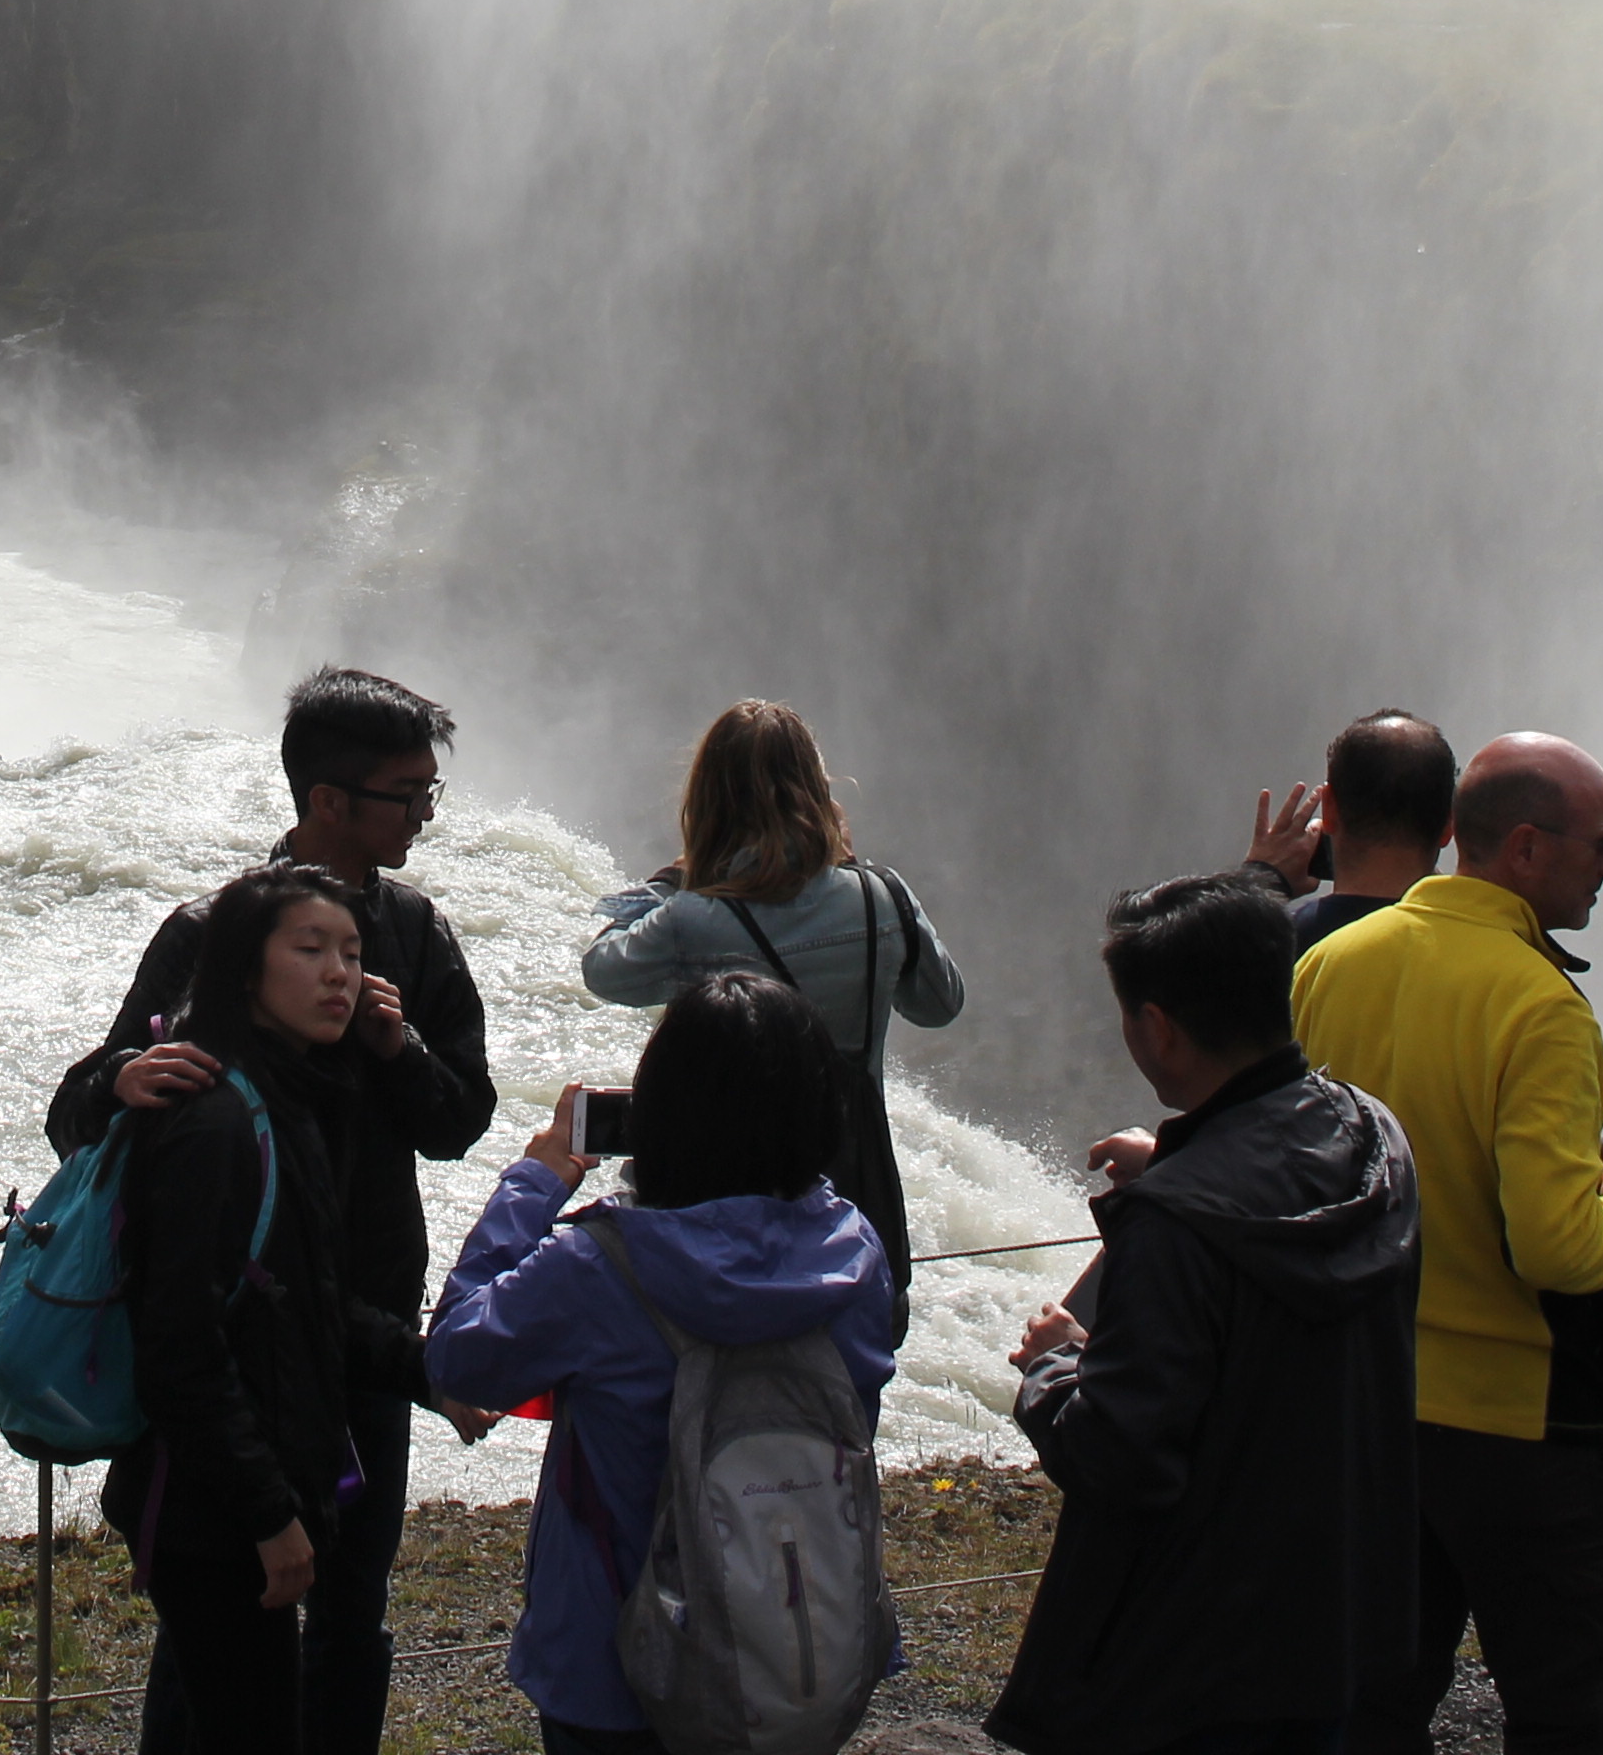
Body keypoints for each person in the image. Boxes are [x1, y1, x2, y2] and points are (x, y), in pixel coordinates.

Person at [52, 668, 494, 1755]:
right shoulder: (219, 930)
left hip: (360, 1315)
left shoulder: (417, 931)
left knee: (350, 1599)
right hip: (231, 1328)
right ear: (329, 800)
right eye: (408, 795)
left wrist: (400, 1052)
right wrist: (118, 1082)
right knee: (228, 1597)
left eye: (431, 794)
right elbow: (84, 1108)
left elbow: (458, 1119)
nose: (424, 817)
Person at [1283, 734, 1603, 1755]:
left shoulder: (1326, 964)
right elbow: (1555, 1246)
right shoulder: (1540, 1006)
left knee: (1374, 1702)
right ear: (1527, 850)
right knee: (1565, 1712)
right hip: (1517, 1427)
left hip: (1369, 1410)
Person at [990, 874, 1420, 1755]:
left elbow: (1121, 1455)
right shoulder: (1374, 1140)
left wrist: (1055, 1363)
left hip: (1192, 1659)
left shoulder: (1175, 1224)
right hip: (1339, 1613)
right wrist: (1184, 1161)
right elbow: (1272, 1202)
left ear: (1158, 1028)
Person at [423, 971, 899, 1755]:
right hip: (797, 1642)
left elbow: (460, 1358)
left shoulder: (599, 1266)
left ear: (661, 1115)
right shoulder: (852, 1251)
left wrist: (535, 1182)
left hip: (613, 1663)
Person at [109, 861, 382, 1755]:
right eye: (309, 949)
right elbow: (180, 1348)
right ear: (243, 968)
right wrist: (269, 1516)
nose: (339, 972)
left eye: (350, 950)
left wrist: (433, 1371)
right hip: (215, 1512)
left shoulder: (290, 1097)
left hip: (236, 1497)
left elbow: (305, 1306)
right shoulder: (217, 1119)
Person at [579, 698, 969, 1325]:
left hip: (722, 1195)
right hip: (854, 1180)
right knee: (847, 1366)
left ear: (707, 801)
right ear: (817, 791)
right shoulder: (882, 897)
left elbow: (603, 969)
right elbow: (940, 1004)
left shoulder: (692, 916)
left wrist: (668, 883)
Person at [1237, 709, 1459, 949]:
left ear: (1329, 810)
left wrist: (1258, 881)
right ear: (1449, 825)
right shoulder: (1478, 945)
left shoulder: (1273, 948)